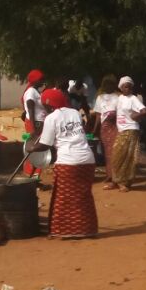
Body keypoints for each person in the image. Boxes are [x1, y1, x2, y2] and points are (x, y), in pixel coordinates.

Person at [38, 88, 98, 238]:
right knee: (84, 196)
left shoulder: (51, 118)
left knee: (63, 197)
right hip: (87, 160)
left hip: (68, 162)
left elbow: (45, 144)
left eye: (44, 105)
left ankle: (63, 231)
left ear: (49, 104)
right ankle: (87, 230)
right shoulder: (74, 113)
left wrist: (31, 147)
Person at [111, 77, 146, 191]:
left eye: (130, 87)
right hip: (122, 130)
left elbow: (144, 111)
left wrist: (135, 116)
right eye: (126, 86)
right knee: (117, 155)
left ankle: (124, 182)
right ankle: (115, 180)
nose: (128, 89)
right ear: (121, 87)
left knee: (127, 157)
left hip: (131, 130)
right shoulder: (119, 98)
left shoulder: (133, 99)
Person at [93, 75, 120, 189]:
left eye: (110, 83)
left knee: (115, 152)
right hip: (105, 127)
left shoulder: (118, 97)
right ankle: (109, 175)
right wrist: (95, 129)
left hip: (115, 126)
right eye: (106, 84)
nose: (108, 86)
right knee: (107, 153)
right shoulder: (100, 98)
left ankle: (117, 177)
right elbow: (99, 115)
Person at [22, 69, 46, 177]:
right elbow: (30, 109)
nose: (42, 81)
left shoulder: (36, 91)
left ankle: (35, 177)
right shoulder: (31, 91)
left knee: (38, 150)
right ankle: (29, 176)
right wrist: (32, 128)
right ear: (35, 80)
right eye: (40, 79)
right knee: (33, 149)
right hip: (34, 124)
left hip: (38, 123)